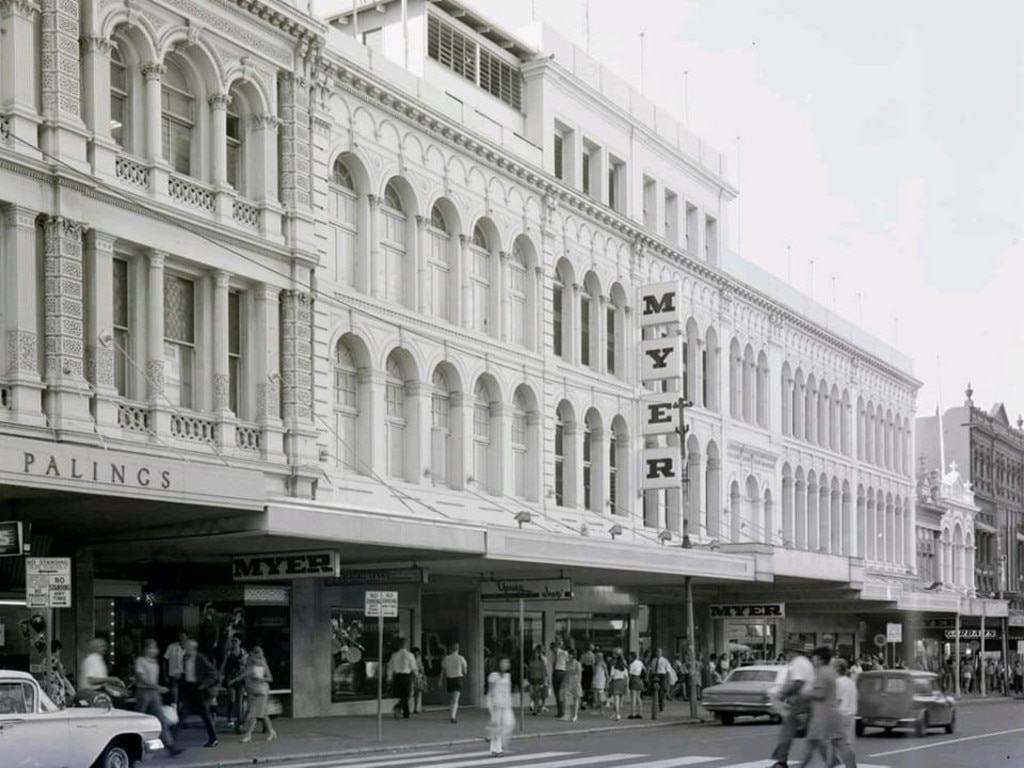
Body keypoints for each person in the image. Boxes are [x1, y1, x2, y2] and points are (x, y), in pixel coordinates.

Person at [793, 646, 855, 768]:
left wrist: (805, 693)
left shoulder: (822, 672)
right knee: (841, 743)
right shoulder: (831, 672)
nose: (812, 660)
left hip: (822, 716)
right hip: (833, 713)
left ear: (819, 658)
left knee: (811, 745)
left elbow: (820, 694)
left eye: (814, 658)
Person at [767, 644, 815, 768]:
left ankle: (782, 762)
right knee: (789, 732)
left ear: (794, 651)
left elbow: (798, 682)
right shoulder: (806, 662)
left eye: (788, 651)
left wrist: (782, 694)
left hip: (801, 700)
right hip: (805, 700)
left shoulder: (797, 662)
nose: (787, 654)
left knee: (792, 733)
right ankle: (781, 761)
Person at [134, 639, 184, 757]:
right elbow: (141, 678)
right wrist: (157, 687)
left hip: (154, 693)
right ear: (145, 649)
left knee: (161, 719)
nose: (154, 650)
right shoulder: (140, 661)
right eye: (151, 647)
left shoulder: (154, 662)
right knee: (138, 719)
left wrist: (156, 688)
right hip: (143, 692)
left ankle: (170, 746)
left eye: (155, 648)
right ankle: (134, 744)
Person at [181, 639, 219, 748]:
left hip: (198, 688)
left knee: (205, 714)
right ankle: (171, 741)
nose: (185, 648)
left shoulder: (200, 658)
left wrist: (204, 684)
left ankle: (213, 738)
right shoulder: (185, 658)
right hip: (189, 687)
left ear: (192, 648)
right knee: (183, 713)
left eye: (187, 647)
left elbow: (213, 673)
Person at [236, 646, 278, 743]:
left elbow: (270, 678)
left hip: (261, 692)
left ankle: (248, 735)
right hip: (253, 691)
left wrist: (261, 678)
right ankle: (272, 732)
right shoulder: (251, 664)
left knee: (254, 714)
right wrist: (234, 680)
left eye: (255, 654)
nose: (253, 657)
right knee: (263, 714)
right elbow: (245, 674)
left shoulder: (262, 664)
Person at [79, 638, 126, 704]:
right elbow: (91, 680)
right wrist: (110, 679)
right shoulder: (92, 660)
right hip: (91, 694)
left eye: (104, 646)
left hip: (97, 692)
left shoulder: (98, 659)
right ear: (94, 647)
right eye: (102, 646)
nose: (104, 649)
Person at [831, 657, 858, 768]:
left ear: (837, 668)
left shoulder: (838, 683)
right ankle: (834, 762)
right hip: (850, 716)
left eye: (832, 666)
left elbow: (837, 702)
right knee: (841, 743)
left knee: (843, 745)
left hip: (841, 716)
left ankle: (849, 766)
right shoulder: (850, 682)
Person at [486, 657, 515, 757]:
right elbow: (490, 692)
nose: (506, 664)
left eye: (507, 662)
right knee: (497, 726)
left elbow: (508, 691)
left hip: (507, 704)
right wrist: (490, 706)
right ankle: (497, 749)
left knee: (509, 724)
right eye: (504, 662)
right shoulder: (494, 676)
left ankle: (492, 737)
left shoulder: (507, 676)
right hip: (496, 705)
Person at [220, 635, 247, 730]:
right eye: (232, 641)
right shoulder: (228, 653)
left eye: (236, 641)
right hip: (230, 678)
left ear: (240, 642)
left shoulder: (243, 653)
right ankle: (230, 716)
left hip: (239, 679)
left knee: (239, 700)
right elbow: (223, 664)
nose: (234, 642)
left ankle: (239, 721)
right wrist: (221, 675)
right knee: (232, 699)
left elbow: (245, 666)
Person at [387, 637, 416, 719]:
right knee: (406, 694)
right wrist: (415, 674)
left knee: (402, 694)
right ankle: (398, 707)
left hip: (397, 676)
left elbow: (390, 667)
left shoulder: (394, 655)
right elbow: (413, 667)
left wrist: (389, 677)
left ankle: (406, 713)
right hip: (406, 676)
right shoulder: (410, 655)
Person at [439, 641, 468, 723]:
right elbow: (465, 670)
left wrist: (440, 680)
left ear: (450, 649)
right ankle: (453, 716)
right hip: (458, 678)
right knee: (456, 699)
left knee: (451, 698)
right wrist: (465, 677)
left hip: (449, 679)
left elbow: (443, 671)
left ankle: (452, 713)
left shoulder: (446, 658)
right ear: (458, 649)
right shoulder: (461, 658)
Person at [164, 631, 187, 710]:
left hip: (184, 674)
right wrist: (165, 675)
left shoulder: (188, 648)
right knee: (174, 694)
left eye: (183, 637)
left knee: (183, 693)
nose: (181, 639)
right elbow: (165, 660)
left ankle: (182, 710)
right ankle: (174, 709)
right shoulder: (172, 647)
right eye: (180, 636)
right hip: (173, 673)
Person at [559, 647, 583, 721]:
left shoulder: (577, 664)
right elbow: (566, 673)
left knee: (576, 698)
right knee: (566, 698)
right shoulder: (567, 663)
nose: (568, 656)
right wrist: (564, 682)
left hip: (575, 681)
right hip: (568, 681)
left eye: (569, 655)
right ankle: (567, 714)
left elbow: (579, 674)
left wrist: (578, 682)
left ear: (573, 655)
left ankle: (575, 715)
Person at [527, 645, 549, 715]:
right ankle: (534, 704)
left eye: (537, 653)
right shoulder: (531, 661)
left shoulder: (541, 662)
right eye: (535, 653)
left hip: (538, 678)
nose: (536, 654)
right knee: (531, 693)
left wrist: (544, 680)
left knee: (537, 694)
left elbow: (544, 671)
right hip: (531, 678)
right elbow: (529, 670)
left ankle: (535, 709)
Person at [651, 648, 673, 712]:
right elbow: (651, 668)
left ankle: (661, 706)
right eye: (657, 652)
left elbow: (668, 670)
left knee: (661, 691)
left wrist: (667, 678)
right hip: (655, 675)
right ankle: (656, 704)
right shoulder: (654, 660)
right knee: (655, 691)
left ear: (661, 653)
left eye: (659, 652)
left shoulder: (665, 660)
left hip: (662, 675)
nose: (658, 653)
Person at [551, 640, 568, 718]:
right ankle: (559, 711)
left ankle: (563, 711)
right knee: (556, 692)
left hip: (562, 672)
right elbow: (552, 664)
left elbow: (567, 663)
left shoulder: (564, 653)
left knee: (561, 693)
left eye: (552, 648)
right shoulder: (553, 655)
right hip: (555, 672)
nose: (552, 650)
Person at [608, 653, 628, 720]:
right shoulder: (624, 669)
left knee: (616, 700)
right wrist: (627, 686)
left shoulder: (613, 667)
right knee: (621, 700)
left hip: (616, 683)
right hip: (622, 683)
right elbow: (626, 678)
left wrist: (607, 683)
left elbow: (611, 677)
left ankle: (617, 714)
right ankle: (619, 713)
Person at [627, 651, 646, 719]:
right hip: (640, 680)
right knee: (638, 697)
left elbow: (630, 674)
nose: (628, 658)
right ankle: (640, 713)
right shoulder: (640, 662)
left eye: (629, 656)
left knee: (633, 698)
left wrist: (628, 682)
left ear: (632, 657)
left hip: (634, 679)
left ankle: (633, 713)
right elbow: (644, 670)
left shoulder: (632, 665)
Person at [411, 647, 427, 714]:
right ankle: (409, 707)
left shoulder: (419, 661)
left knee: (417, 693)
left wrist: (424, 677)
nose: (416, 655)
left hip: (418, 678)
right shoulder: (411, 660)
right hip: (412, 677)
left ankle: (415, 708)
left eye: (417, 654)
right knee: (411, 693)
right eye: (415, 654)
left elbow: (422, 670)